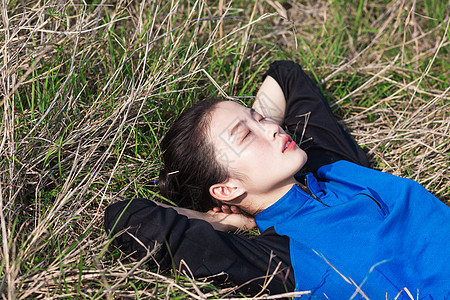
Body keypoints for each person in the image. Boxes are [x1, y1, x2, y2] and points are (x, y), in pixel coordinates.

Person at [104, 61, 450, 299]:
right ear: (227, 189)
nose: (272, 127)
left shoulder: (329, 163)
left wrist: (252, 135)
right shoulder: (277, 257)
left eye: (259, 118)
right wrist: (220, 220)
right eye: (245, 135)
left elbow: (285, 75)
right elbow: (126, 219)